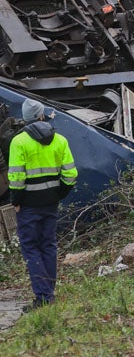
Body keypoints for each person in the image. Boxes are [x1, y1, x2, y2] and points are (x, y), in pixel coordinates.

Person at [8, 99, 77, 312]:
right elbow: (71, 174)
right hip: (50, 203)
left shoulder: (18, 142)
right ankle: (49, 290)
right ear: (42, 116)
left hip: (28, 205)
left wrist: (16, 201)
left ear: (25, 118)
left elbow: (16, 177)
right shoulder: (60, 140)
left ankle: (43, 296)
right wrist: (59, 194)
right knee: (48, 245)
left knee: (31, 247)